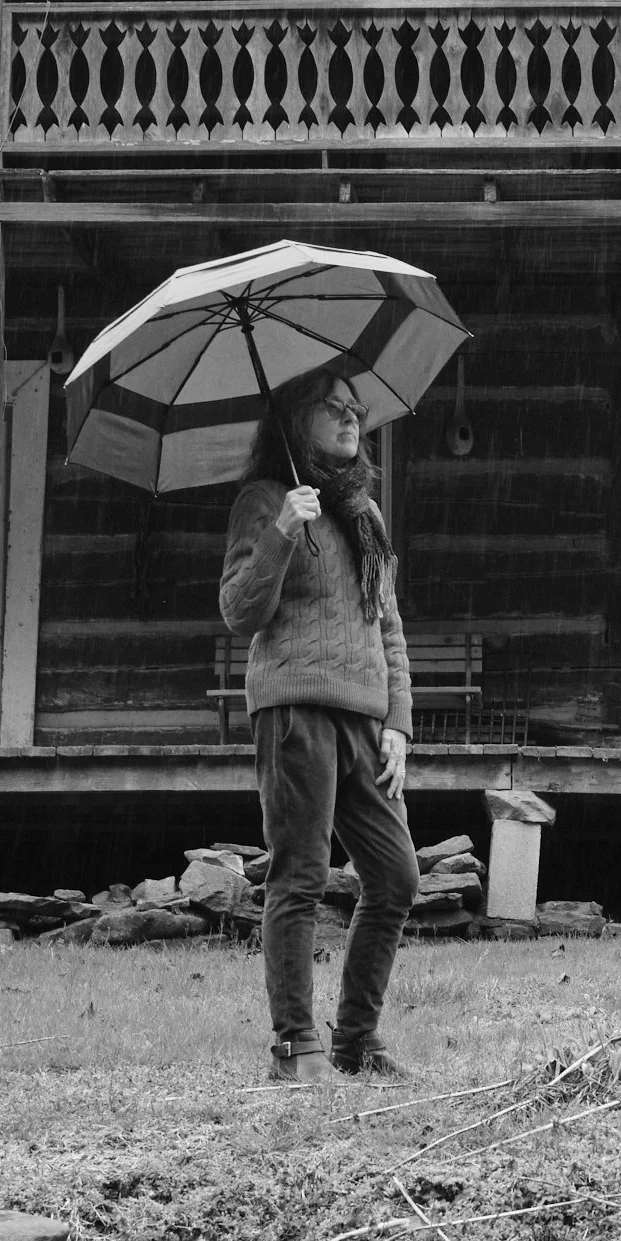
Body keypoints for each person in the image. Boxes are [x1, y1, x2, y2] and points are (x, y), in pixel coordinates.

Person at [219, 376, 420, 1083]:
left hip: (365, 719)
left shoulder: (364, 512)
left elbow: (387, 622)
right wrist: (281, 532)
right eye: (333, 407)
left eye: (355, 408)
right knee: (300, 875)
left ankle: (355, 1040)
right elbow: (239, 612)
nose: (349, 417)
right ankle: (294, 1044)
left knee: (396, 877)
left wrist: (398, 722)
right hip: (295, 710)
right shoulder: (266, 500)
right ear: (295, 416)